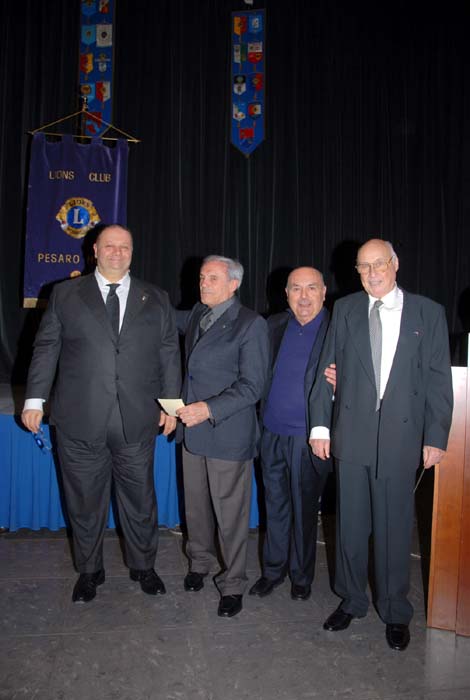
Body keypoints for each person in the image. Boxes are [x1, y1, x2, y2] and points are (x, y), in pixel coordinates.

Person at [21, 225, 181, 603]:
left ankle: (143, 566)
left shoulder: (156, 297)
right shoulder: (65, 294)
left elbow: (168, 352)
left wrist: (172, 405)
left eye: (124, 247)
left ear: (132, 252)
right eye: (110, 246)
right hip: (79, 419)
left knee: (140, 501)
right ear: (95, 250)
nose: (117, 252)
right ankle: (90, 571)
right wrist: (34, 400)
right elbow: (46, 348)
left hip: (136, 419)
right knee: (84, 502)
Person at [309, 238, 453, 651]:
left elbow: (438, 380)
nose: (372, 273)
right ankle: (351, 600)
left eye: (379, 264)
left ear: (395, 263)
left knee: (394, 530)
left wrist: (435, 436)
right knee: (350, 528)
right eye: (363, 266)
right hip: (352, 435)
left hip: (400, 438)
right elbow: (326, 368)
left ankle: (395, 611)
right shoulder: (345, 309)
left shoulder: (428, 312)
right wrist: (320, 426)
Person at [176, 255, 269, 618]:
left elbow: (253, 386)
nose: (203, 283)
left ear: (234, 284)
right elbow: (165, 319)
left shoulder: (251, 324)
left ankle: (232, 584)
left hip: (227, 433)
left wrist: (208, 408)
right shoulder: (198, 314)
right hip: (193, 432)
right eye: (202, 277)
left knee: (230, 516)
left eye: (212, 278)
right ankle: (199, 563)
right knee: (196, 508)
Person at [249, 267, 331, 602]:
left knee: (304, 510)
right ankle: (272, 571)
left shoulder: (338, 328)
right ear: (286, 294)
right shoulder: (274, 325)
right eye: (296, 288)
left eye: (311, 288)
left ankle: (301, 576)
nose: (304, 296)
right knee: (274, 505)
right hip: (271, 432)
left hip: (308, 437)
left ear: (324, 292)